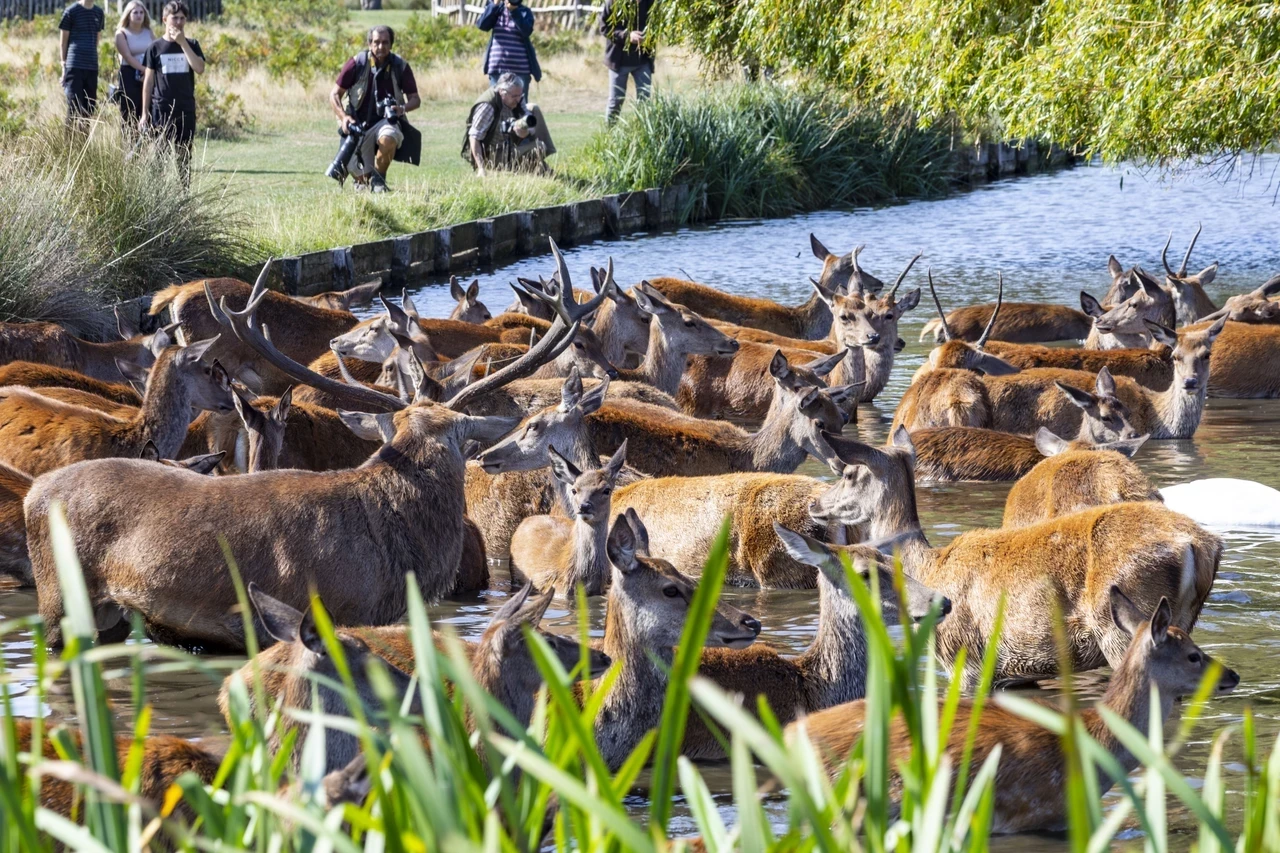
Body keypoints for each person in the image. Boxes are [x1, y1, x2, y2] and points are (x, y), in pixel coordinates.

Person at [330, 25, 422, 193]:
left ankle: (379, 180)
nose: (381, 47)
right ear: (369, 43)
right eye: (377, 42)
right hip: (357, 128)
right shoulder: (357, 63)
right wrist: (344, 118)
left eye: (385, 42)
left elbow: (416, 99)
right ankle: (364, 182)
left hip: (385, 122)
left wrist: (401, 109)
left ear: (391, 44)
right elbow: (334, 94)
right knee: (362, 183)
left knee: (390, 136)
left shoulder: (400, 66)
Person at [140, 1, 205, 179]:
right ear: (164, 20)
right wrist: (145, 113)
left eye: (182, 18)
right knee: (160, 155)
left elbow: (199, 68)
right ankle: (158, 195)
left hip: (185, 108)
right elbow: (148, 81)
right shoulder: (154, 48)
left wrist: (183, 43)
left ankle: (184, 193)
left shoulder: (192, 44)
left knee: (184, 155)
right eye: (174, 18)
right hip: (161, 108)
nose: (178, 22)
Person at [463, 72, 554, 177]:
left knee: (533, 108)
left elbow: (528, 117)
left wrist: (525, 131)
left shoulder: (517, 96)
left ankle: (538, 163)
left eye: (520, 95)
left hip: (510, 143)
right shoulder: (487, 107)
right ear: (502, 92)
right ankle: (534, 164)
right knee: (539, 147)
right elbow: (474, 137)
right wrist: (481, 168)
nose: (518, 99)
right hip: (493, 154)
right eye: (514, 96)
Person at [599, 0, 653, 123]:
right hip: (619, 61)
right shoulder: (613, 2)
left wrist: (648, 37)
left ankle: (643, 133)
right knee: (616, 101)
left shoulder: (650, 2)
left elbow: (656, 24)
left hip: (642, 60)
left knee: (644, 101)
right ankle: (610, 136)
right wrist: (627, 36)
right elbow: (604, 28)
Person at [476, 0, 540, 98]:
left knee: (520, 108)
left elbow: (526, 31)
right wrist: (495, 5)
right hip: (497, 68)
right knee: (497, 107)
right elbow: (482, 25)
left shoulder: (525, 12)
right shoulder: (496, 9)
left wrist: (514, 11)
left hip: (521, 69)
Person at [58, 0, 104, 122]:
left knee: (89, 107)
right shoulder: (71, 11)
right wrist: (64, 66)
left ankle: (83, 140)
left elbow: (97, 40)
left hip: (92, 66)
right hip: (74, 65)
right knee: (74, 106)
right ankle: (69, 140)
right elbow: (63, 42)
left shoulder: (99, 12)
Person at [114, 0, 155, 130]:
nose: (139, 15)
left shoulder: (148, 32)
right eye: (135, 12)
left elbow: (156, 51)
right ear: (128, 14)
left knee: (147, 107)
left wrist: (149, 72)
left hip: (147, 74)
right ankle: (129, 142)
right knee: (129, 109)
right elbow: (127, 56)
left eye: (141, 12)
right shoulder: (122, 33)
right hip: (129, 74)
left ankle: (145, 141)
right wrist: (146, 70)